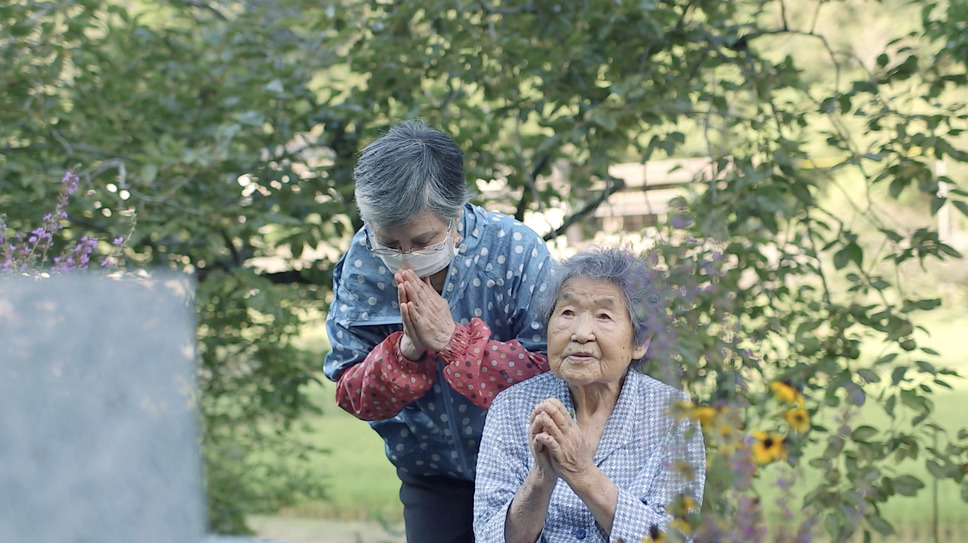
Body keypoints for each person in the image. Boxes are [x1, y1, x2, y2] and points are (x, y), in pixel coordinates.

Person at [323, 119, 554, 543]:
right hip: (430, 473)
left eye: (422, 240)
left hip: (526, 470)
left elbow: (554, 376)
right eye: (390, 245)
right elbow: (350, 390)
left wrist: (455, 344)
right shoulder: (361, 264)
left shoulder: (514, 251)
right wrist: (404, 352)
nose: (406, 258)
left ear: (454, 215)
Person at [473, 246, 706, 543]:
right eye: (567, 312)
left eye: (604, 316)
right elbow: (489, 537)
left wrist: (582, 473)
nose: (580, 333)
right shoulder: (511, 409)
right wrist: (541, 480)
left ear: (640, 342)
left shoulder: (672, 414)